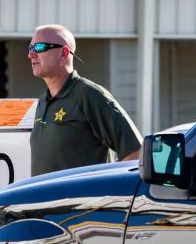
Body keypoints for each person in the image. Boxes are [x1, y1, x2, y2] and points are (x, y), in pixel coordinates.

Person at [28, 24, 143, 176]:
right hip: (44, 200)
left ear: (63, 54)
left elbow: (135, 152)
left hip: (81, 200)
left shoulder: (91, 96)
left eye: (40, 47)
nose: (31, 54)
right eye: (30, 47)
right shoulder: (43, 100)